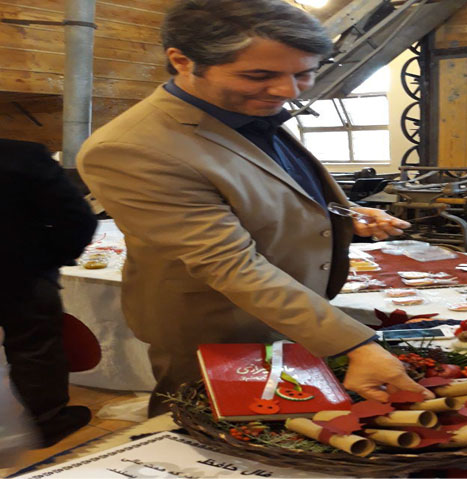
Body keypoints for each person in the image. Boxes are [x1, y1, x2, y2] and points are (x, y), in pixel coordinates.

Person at [78, 0, 431, 416]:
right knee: (205, 430)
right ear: (183, 61)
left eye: (304, 73)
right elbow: (230, 265)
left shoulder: (240, 108)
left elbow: (264, 186)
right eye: (259, 75)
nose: (289, 92)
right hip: (220, 324)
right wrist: (354, 343)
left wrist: (344, 212)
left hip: (288, 309)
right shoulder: (132, 148)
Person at [0, 139, 97, 447]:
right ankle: (47, 420)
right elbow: (77, 218)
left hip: (22, 269)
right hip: (20, 272)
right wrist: (51, 258)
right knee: (35, 347)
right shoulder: (21, 155)